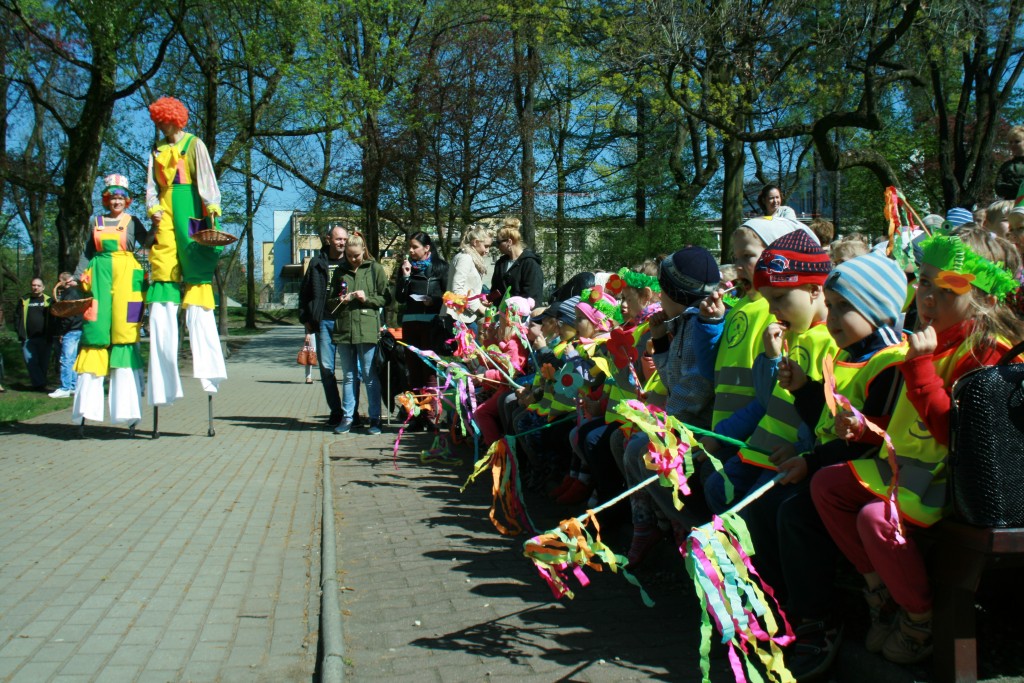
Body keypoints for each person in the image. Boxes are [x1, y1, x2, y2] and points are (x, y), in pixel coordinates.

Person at [811, 231, 1023, 665]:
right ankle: (879, 591)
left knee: (877, 519)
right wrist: (867, 430)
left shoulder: (989, 354)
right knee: (827, 485)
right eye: (924, 282)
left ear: (984, 296)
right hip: (909, 467)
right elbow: (907, 425)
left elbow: (953, 434)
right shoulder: (932, 338)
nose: (928, 297)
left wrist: (920, 366)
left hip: (953, 483)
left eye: (947, 288)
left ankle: (918, 619)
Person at [145, 95, 227, 407]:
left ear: (176, 118)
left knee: (195, 266)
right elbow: (151, 187)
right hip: (165, 213)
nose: (162, 125)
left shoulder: (194, 145)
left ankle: (206, 366)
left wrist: (212, 205)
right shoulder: (156, 151)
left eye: (165, 119)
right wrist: (152, 208)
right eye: (158, 121)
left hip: (190, 210)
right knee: (164, 270)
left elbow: (206, 178)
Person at [71, 174, 151, 426]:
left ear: (126, 201)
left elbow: (148, 242)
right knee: (95, 332)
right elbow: (87, 251)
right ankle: (88, 408)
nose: (116, 201)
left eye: (120, 198)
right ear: (107, 199)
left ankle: (127, 409)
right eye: (112, 197)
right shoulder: (95, 221)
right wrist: (75, 277)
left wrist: (158, 226)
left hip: (127, 279)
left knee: (125, 333)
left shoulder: (132, 221)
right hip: (99, 277)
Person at [329, 233, 388, 435]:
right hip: (345, 329)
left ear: (363, 251)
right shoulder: (340, 271)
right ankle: (348, 417)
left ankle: (374, 418)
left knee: (370, 375)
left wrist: (367, 299)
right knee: (348, 375)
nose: (353, 259)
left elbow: (385, 298)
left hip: (367, 329)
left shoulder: (375, 269)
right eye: (349, 256)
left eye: (356, 255)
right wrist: (340, 300)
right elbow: (330, 301)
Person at [299, 225, 357, 427]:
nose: (342, 242)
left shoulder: (351, 261)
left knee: (350, 370)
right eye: (338, 239)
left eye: (344, 239)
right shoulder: (316, 263)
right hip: (324, 321)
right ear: (328, 240)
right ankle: (335, 412)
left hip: (346, 321)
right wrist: (305, 318)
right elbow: (305, 292)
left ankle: (351, 413)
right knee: (326, 369)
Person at [395, 231, 449, 428]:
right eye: (410, 247)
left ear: (427, 248)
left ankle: (432, 415)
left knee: (430, 369)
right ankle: (416, 416)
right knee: (414, 370)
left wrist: (433, 301)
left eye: (415, 247)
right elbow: (399, 298)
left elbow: (448, 295)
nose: (411, 250)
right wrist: (406, 276)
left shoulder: (441, 267)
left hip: (431, 324)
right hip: (410, 323)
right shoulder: (406, 267)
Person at [489, 217, 544, 304]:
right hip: (499, 315)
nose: (497, 246)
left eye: (498, 243)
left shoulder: (530, 264)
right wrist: (489, 299)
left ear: (509, 242)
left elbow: (533, 297)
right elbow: (495, 290)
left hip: (521, 315)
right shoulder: (500, 264)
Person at [447, 226, 492, 331]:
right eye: (486, 246)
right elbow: (457, 290)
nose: (487, 251)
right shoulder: (465, 258)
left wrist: (480, 300)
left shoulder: (470, 258)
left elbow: (467, 288)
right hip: (458, 317)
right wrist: (479, 307)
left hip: (464, 316)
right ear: (475, 242)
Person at [49, 272, 84, 398]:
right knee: (72, 359)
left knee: (66, 359)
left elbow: (67, 315)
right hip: (78, 328)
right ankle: (73, 386)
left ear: (62, 281)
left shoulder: (69, 294)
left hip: (70, 330)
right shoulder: (78, 292)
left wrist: (62, 332)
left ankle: (65, 387)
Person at [16, 277, 52, 391]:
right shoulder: (24, 300)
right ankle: (39, 384)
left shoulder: (49, 300)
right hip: (27, 338)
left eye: (38, 285)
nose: (35, 287)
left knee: (43, 363)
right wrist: (19, 330)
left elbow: (54, 318)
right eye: (33, 285)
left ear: (43, 287)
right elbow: (17, 317)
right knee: (31, 363)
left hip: (44, 338)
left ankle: (40, 384)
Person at [994, 124, 1024, 201]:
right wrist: (1020, 185)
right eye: (1010, 142)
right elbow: (998, 188)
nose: (1013, 145)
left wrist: (1010, 184)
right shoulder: (1006, 166)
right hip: (1009, 205)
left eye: (1017, 141)